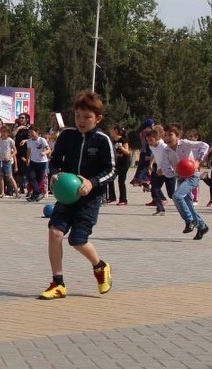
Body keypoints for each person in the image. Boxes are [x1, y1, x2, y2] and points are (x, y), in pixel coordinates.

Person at [38, 91, 115, 299]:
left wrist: (92, 182)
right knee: (55, 234)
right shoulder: (67, 136)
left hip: (89, 199)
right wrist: (54, 175)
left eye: (87, 117)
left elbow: (111, 170)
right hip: (66, 195)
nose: (81, 121)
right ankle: (58, 283)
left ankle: (100, 267)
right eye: (78, 116)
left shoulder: (102, 140)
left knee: (77, 240)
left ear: (97, 118)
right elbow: (54, 161)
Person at [24, 126, 51, 200]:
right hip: (33, 162)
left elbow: (49, 149)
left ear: (37, 132)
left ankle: (34, 196)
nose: (30, 134)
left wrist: (44, 152)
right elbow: (29, 151)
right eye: (29, 132)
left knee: (38, 180)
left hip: (42, 162)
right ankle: (39, 193)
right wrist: (28, 159)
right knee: (30, 177)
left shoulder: (42, 140)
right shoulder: (29, 141)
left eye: (32, 132)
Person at [0, 129, 19, 197]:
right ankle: (2, 192)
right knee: (0, 176)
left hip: (7, 161)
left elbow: (15, 151)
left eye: (4, 132)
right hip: (0, 161)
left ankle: (17, 193)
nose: (3, 133)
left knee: (9, 176)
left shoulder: (10, 140)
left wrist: (10, 156)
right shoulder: (0, 141)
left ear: (8, 133)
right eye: (1, 132)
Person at [111, 124, 132, 206]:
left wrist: (121, 147)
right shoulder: (113, 140)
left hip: (124, 162)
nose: (111, 131)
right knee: (110, 179)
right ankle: (111, 197)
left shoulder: (123, 140)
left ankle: (123, 200)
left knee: (121, 181)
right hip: (116, 163)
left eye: (112, 129)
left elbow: (127, 152)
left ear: (116, 130)